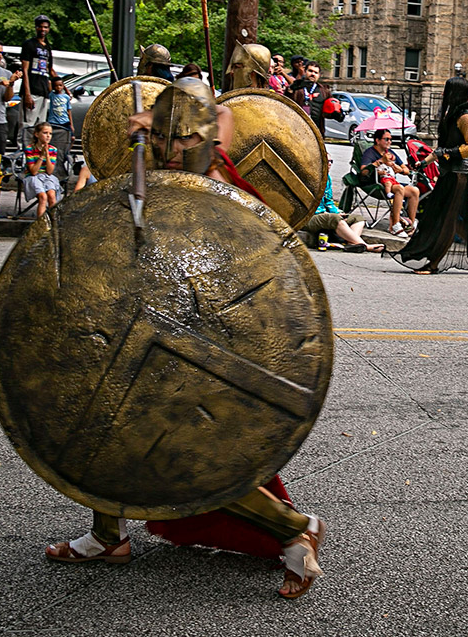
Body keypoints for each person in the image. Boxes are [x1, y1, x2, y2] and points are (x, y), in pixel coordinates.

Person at [49, 77, 327, 600]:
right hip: (150, 334)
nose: (174, 152)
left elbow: (253, 294)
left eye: (186, 141)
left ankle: (292, 530)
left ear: (210, 140)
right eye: (164, 139)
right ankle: (107, 534)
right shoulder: (165, 173)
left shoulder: (230, 198)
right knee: (104, 419)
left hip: (204, 353)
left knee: (183, 457)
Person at [386, 75, 468, 274]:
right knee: (455, 218)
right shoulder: (452, 114)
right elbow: (441, 149)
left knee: (446, 219)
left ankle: (434, 262)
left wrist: (448, 153)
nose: (444, 94)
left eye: (447, 90)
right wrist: (423, 162)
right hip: (449, 172)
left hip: (460, 175)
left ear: (454, 93)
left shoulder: (464, 117)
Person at [305, 163, 384, 253]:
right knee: (335, 218)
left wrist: (337, 211)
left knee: (358, 218)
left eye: (331, 161)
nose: (329, 163)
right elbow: (306, 205)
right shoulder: (308, 179)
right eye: (326, 161)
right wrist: (326, 213)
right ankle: (366, 246)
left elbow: (329, 201)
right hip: (308, 217)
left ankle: (353, 244)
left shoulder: (327, 178)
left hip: (324, 214)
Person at [359, 128, 419, 236]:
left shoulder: (391, 153)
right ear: (377, 140)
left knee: (414, 190)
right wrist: (380, 161)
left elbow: (405, 169)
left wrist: (400, 170)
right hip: (377, 184)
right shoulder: (370, 153)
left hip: (393, 182)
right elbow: (363, 171)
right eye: (386, 139)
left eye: (390, 139)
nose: (389, 142)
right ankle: (395, 225)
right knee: (400, 189)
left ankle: (410, 224)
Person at [20, 15, 58, 126]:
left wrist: (64, 88)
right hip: (32, 90)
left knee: (40, 126)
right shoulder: (29, 44)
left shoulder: (48, 47)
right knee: (28, 124)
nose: (43, 29)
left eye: (45, 27)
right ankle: (24, 144)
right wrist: (27, 94)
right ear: (36, 28)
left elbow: (50, 69)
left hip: (44, 91)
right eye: (40, 27)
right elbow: (25, 70)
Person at [23, 122, 60, 218]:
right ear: (37, 134)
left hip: (47, 176)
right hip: (33, 177)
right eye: (45, 133)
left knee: (52, 195)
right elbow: (33, 171)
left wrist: (47, 155)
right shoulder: (30, 149)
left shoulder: (53, 150)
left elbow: (50, 171)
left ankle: (53, 223)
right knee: (43, 197)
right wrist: (41, 156)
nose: (48, 136)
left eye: (50, 133)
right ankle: (40, 224)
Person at [291, 60, 330, 136]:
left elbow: (330, 110)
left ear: (319, 75)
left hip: (317, 132)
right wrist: (291, 89)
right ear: (305, 72)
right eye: (310, 71)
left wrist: (338, 114)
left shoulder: (324, 91)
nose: (313, 74)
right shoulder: (298, 87)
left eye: (316, 72)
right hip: (297, 131)